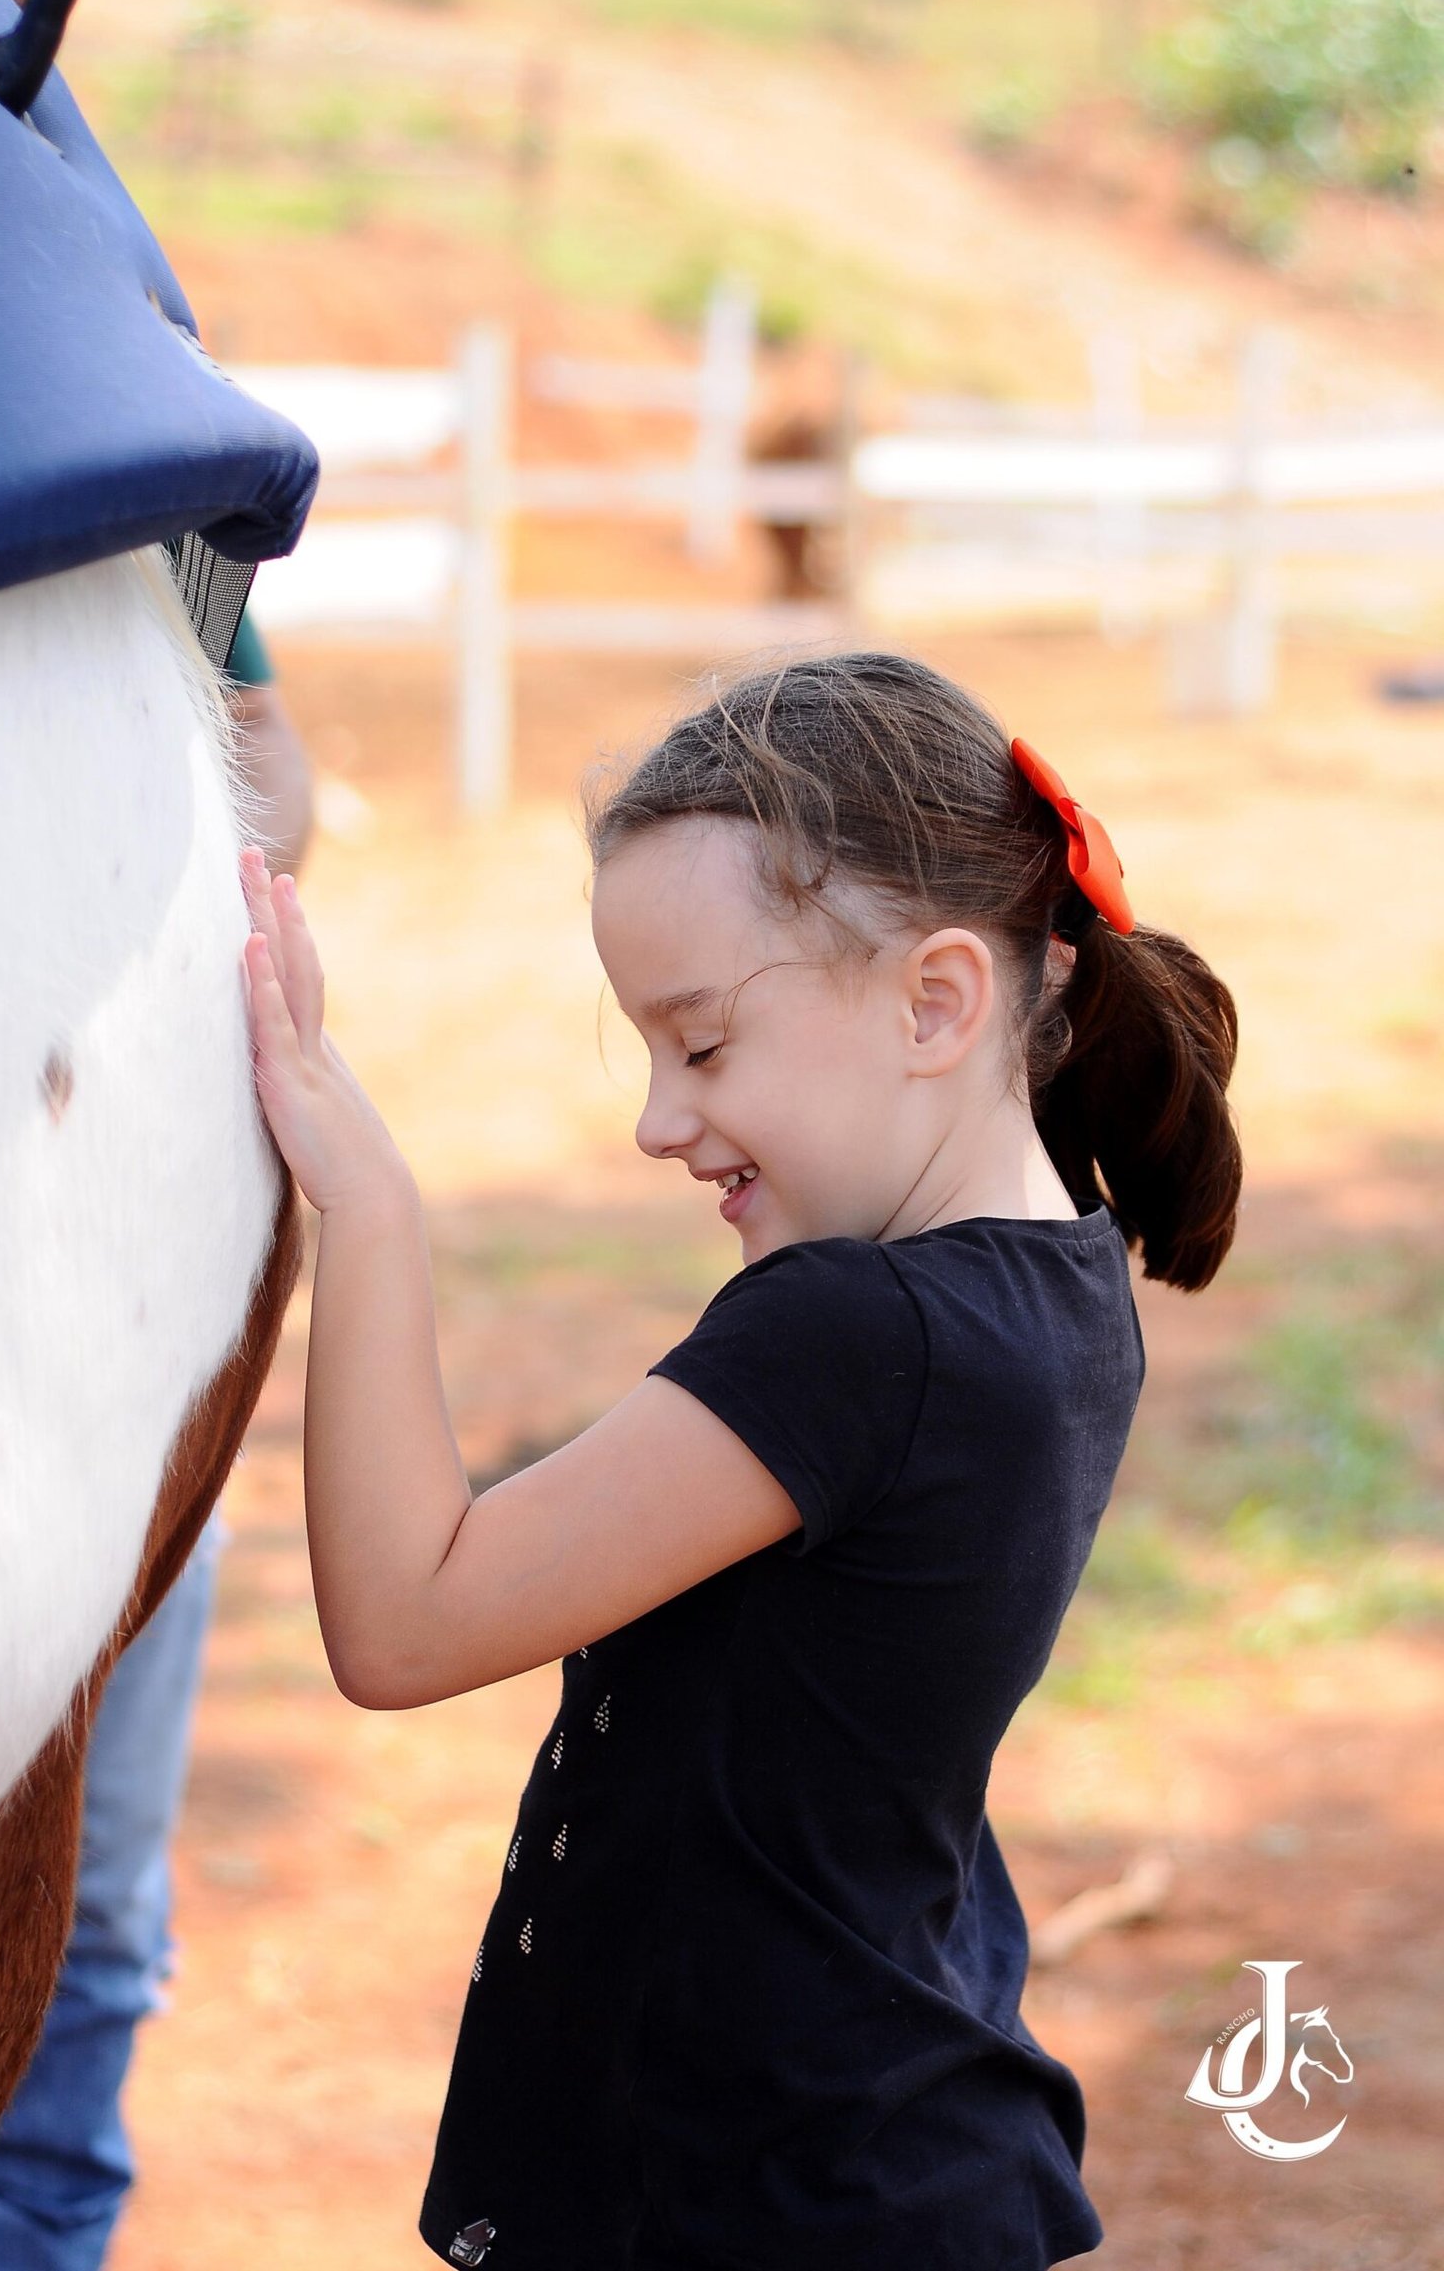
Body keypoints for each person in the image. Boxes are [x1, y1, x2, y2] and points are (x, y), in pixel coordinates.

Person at [241, 649, 1242, 2270]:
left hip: (765, 2196)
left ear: (937, 1002)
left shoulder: (857, 1335)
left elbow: (408, 1619)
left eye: (700, 1047)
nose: (655, 1118)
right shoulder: (1066, 1280)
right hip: (876, 2160)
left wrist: (368, 1202)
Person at [0, 0, 317, 2266]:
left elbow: (264, 745)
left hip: (105, 1275)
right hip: (61, 1263)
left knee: (84, 1942)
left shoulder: (46, 229)